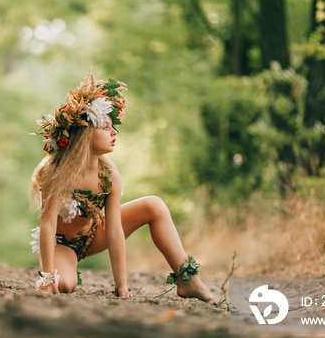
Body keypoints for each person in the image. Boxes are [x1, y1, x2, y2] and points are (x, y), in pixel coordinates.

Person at [29, 68, 215, 302]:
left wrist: (122, 285)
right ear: (85, 134)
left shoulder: (109, 176)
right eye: (105, 128)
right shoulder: (54, 172)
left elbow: (115, 231)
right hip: (62, 244)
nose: (114, 132)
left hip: (95, 235)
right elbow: (47, 225)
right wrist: (48, 279)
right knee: (64, 284)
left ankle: (188, 280)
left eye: (112, 127)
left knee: (154, 205)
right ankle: (59, 272)